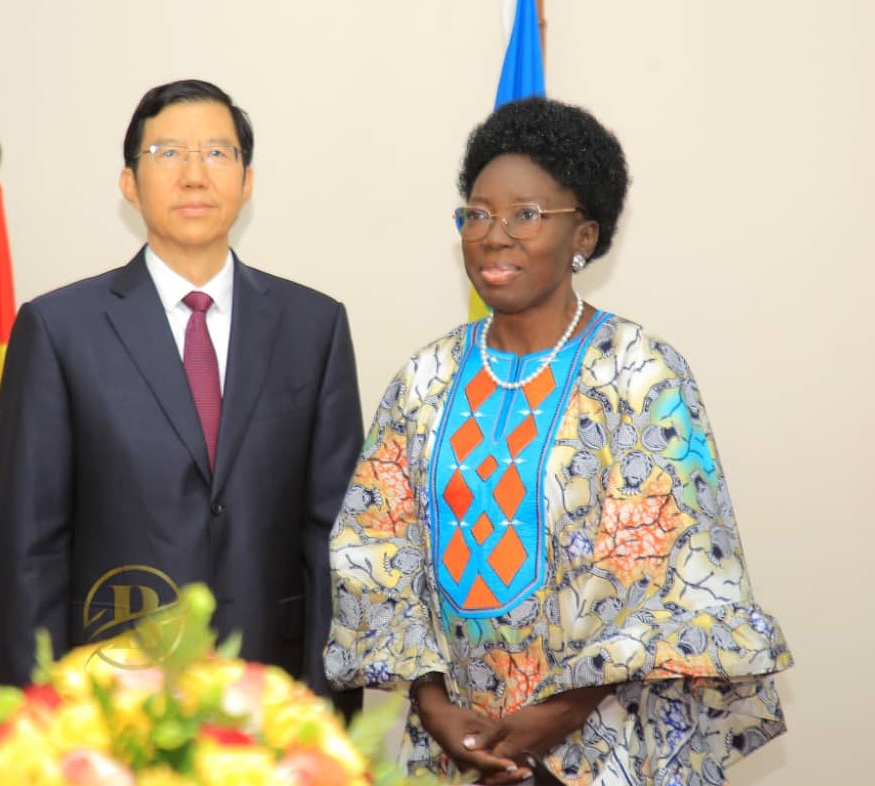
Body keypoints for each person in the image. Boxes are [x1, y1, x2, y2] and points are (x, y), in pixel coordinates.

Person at [325, 96, 792, 784]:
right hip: (459, 745)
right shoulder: (424, 379)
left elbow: (675, 574)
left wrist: (562, 709)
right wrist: (431, 703)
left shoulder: (639, 374)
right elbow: (374, 549)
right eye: (476, 213)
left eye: (526, 215)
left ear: (583, 236)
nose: (494, 234)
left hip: (606, 739)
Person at [0, 79, 363, 720]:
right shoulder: (58, 330)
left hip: (273, 695)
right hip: (110, 695)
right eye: (167, 153)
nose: (195, 175)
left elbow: (333, 534)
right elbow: (31, 547)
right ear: (129, 183)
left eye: (218, 153)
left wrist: (328, 709)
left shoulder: (314, 326)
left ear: (247, 181)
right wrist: (42, 718)